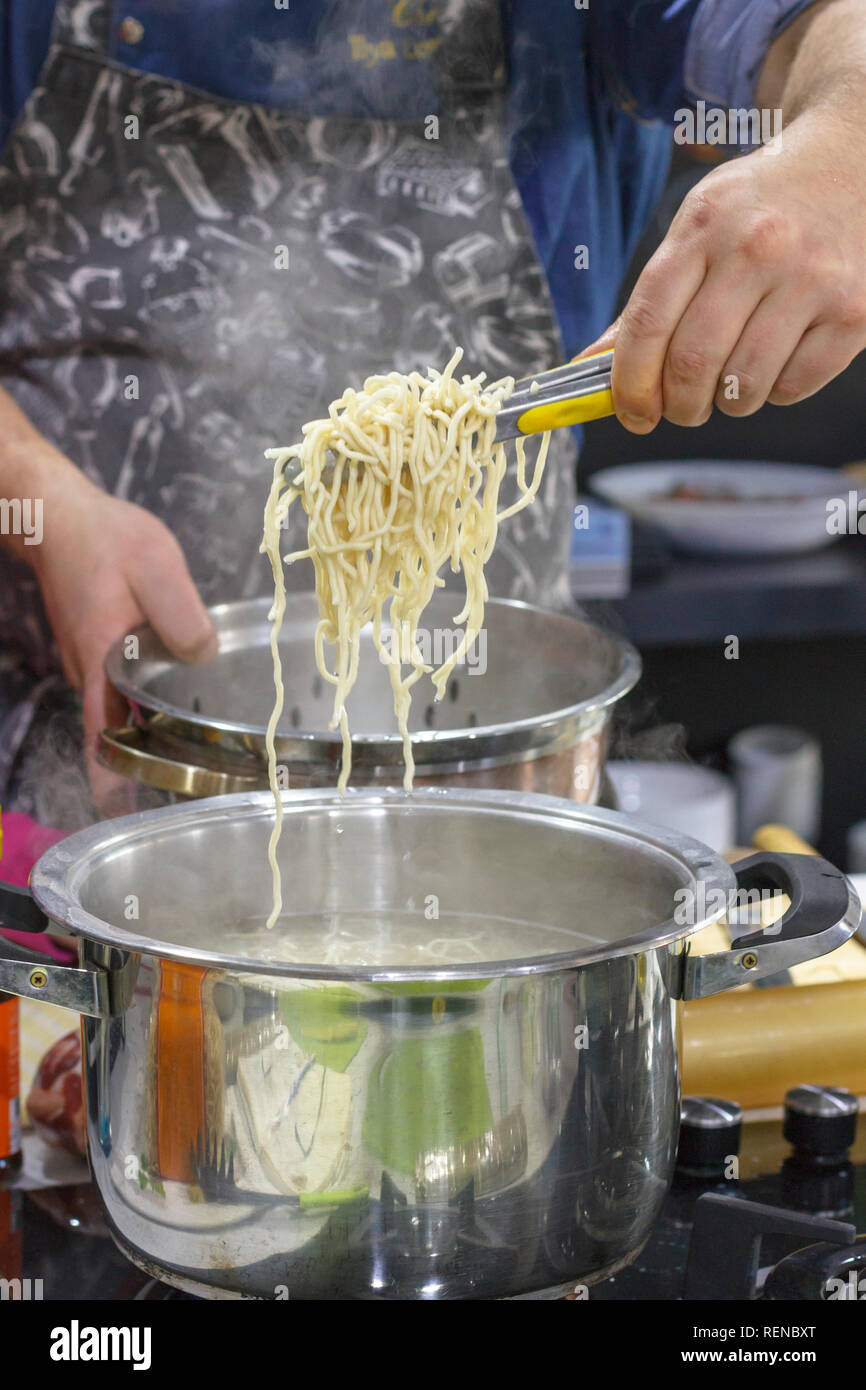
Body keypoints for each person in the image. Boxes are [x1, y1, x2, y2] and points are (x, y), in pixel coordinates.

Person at [0, 0, 865, 825]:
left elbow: (822, 24)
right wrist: (41, 495)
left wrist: (844, 146)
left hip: (505, 783)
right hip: (82, 766)